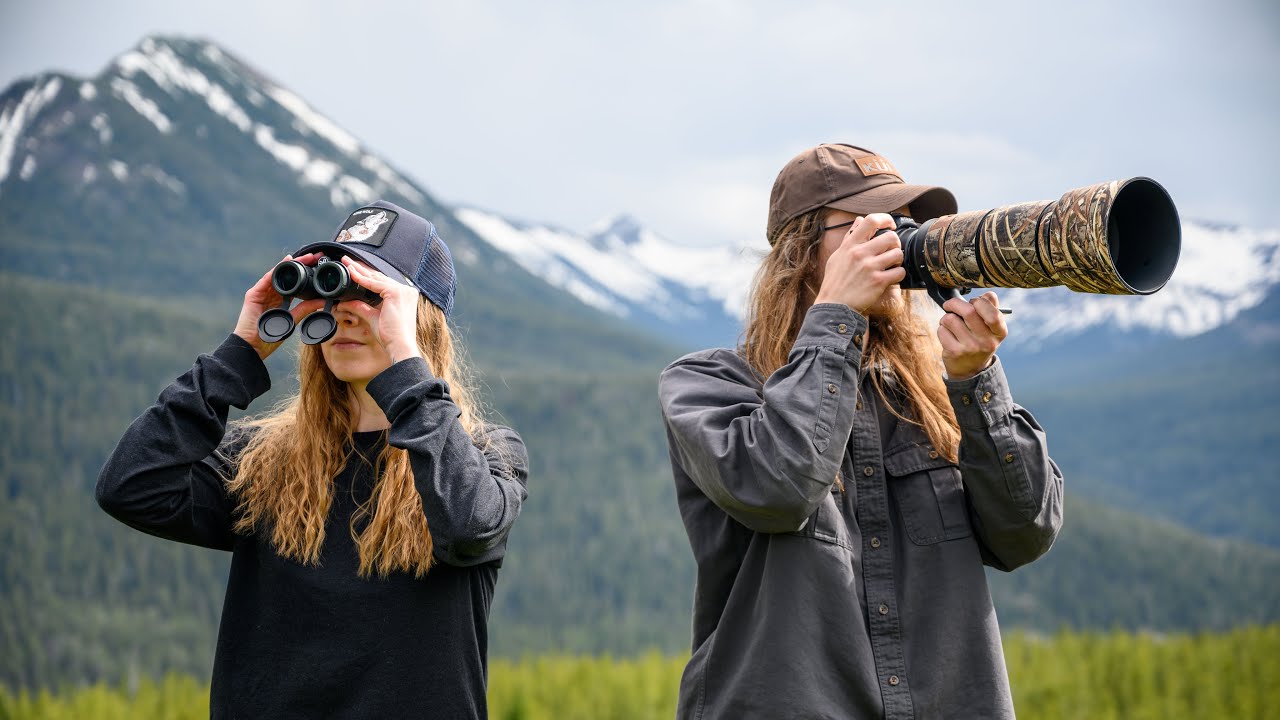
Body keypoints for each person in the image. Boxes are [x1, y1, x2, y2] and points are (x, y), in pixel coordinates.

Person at [658, 144, 1063, 719]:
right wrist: (835, 319)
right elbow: (779, 489)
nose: (896, 245)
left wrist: (977, 382)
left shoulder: (931, 396)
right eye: (869, 228)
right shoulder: (707, 385)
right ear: (802, 252)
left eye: (905, 228)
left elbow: (1026, 534)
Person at [97, 200, 529, 720]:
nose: (345, 310)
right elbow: (131, 486)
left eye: (372, 296)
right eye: (333, 288)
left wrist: (406, 367)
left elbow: (466, 526)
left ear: (421, 322)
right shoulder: (265, 463)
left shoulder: (485, 455)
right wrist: (242, 349)